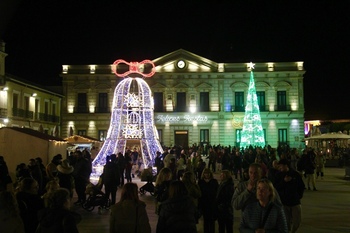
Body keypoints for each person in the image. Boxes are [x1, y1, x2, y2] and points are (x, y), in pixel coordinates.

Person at [274, 159, 305, 233]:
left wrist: (299, 196)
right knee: (286, 221)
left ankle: (293, 231)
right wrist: (284, 181)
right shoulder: (278, 175)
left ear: (286, 166)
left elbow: (301, 186)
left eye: (281, 166)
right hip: (284, 202)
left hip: (295, 202)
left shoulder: (295, 174)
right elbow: (275, 187)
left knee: (297, 221)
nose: (279, 167)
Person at [198, 168, 219, 233]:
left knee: (212, 221)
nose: (207, 175)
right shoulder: (201, 182)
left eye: (208, 173)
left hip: (212, 203)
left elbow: (217, 191)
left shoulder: (214, 181)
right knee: (206, 221)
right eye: (205, 173)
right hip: (204, 203)